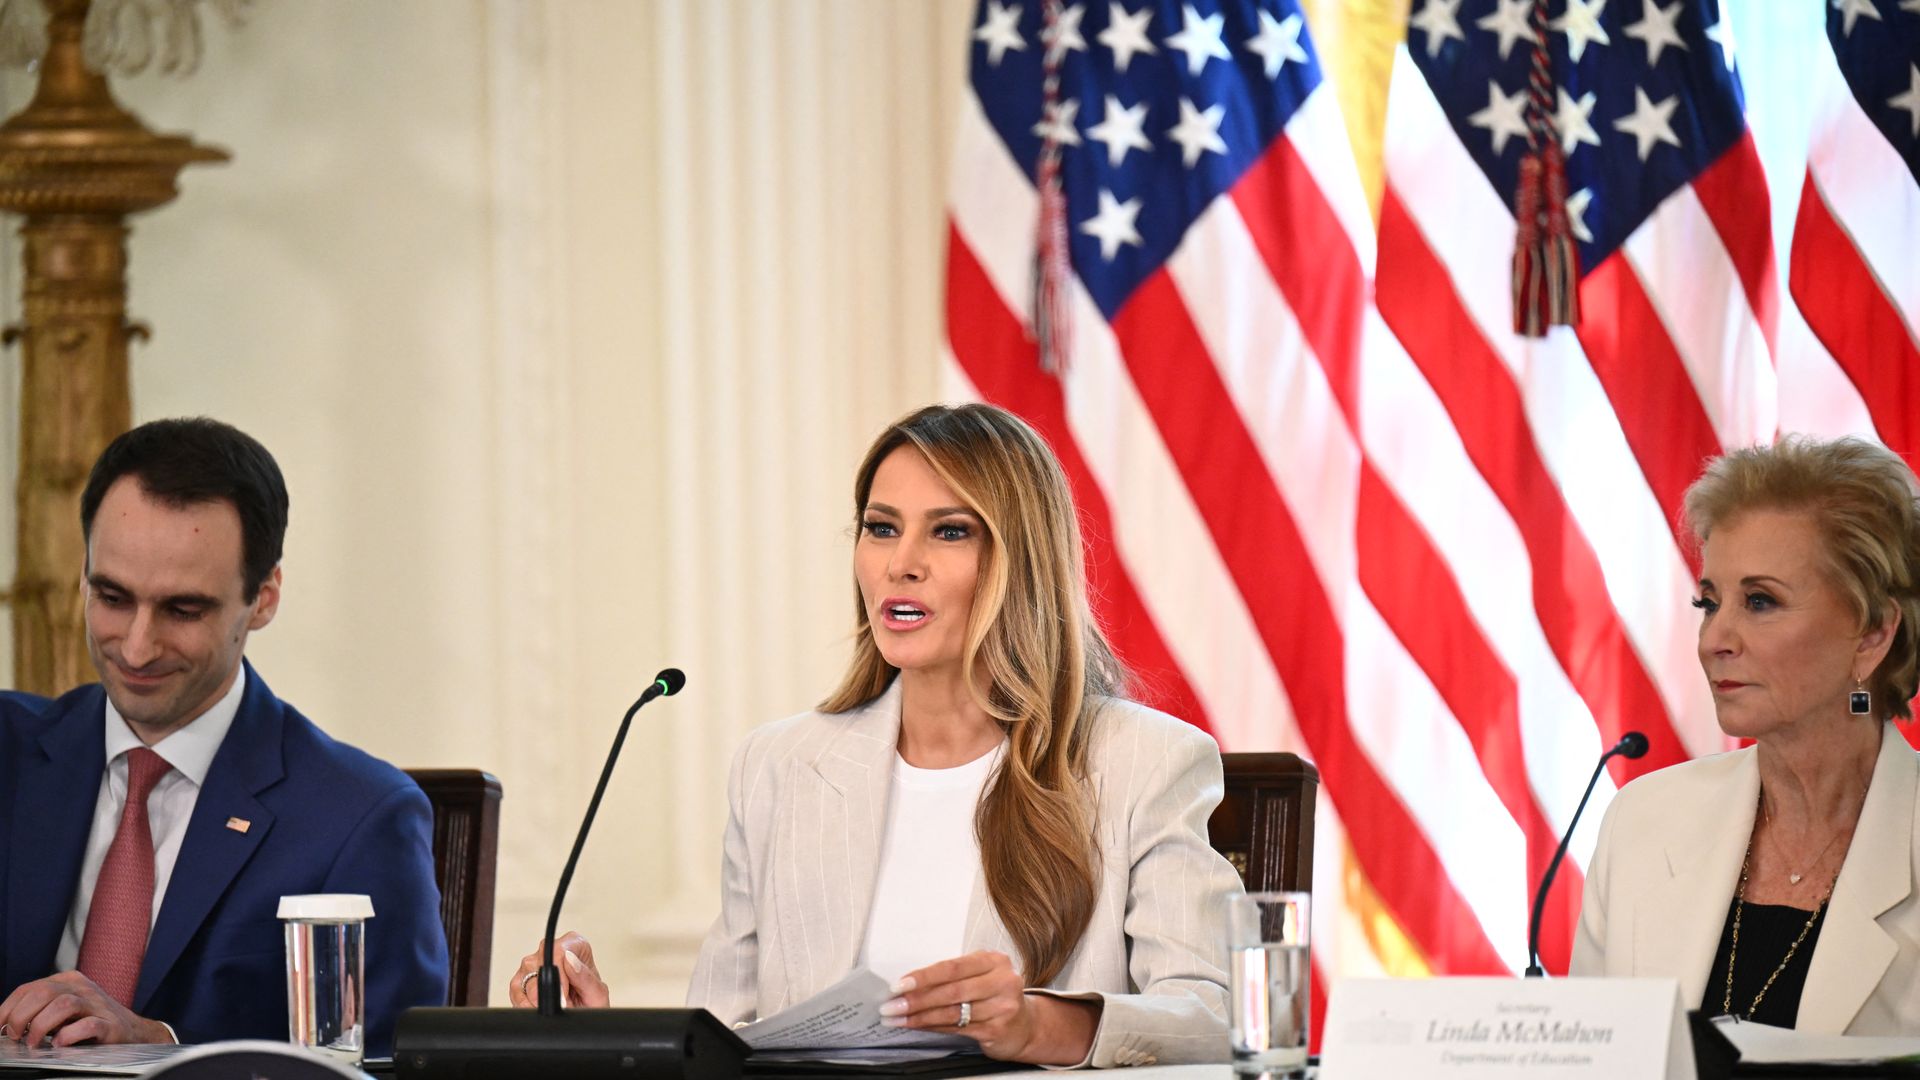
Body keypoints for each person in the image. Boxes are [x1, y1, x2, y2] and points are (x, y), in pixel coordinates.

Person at [510, 403, 1243, 1067]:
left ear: (1022, 562)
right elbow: (725, 1039)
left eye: (949, 531)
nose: (901, 564)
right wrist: (603, 1040)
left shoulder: (1144, 763)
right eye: (881, 527)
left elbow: (1212, 1017)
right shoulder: (779, 766)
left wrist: (1038, 1024)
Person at [0, 418, 449, 1053]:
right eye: (113, 596)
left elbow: (387, 1060)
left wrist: (160, 1044)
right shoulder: (9, 753)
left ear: (263, 598)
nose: (136, 645)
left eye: (183, 609)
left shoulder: (359, 818)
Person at [1572, 435, 1920, 1033]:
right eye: (1709, 603)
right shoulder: (1643, 821)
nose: (1714, 640)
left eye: (1760, 602)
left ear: (1871, 634)